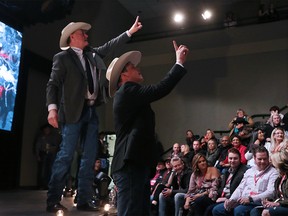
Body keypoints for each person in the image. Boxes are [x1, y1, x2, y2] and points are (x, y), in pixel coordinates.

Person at [45, 17, 142, 213]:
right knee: (65, 156)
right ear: (72, 37)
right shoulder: (62, 58)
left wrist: (129, 32)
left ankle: (83, 199)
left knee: (90, 158)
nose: (86, 35)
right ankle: (53, 199)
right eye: (82, 33)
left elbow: (110, 46)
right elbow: (53, 85)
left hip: (91, 111)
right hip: (72, 113)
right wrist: (52, 109)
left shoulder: (92, 54)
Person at [106, 40, 189, 216]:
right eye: (132, 67)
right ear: (123, 76)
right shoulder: (128, 90)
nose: (138, 68)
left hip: (136, 164)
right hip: (130, 165)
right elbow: (160, 89)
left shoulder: (131, 95)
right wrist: (178, 63)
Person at [212, 146, 279, 216]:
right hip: (242, 200)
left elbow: (271, 192)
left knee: (239, 211)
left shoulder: (273, 172)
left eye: (265, 159)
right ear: (254, 159)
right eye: (259, 159)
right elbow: (240, 188)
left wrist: (251, 199)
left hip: (258, 202)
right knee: (217, 209)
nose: (262, 161)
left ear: (268, 158)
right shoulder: (249, 171)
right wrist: (231, 199)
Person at [207, 148, 248, 215]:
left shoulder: (243, 172)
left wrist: (225, 199)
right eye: (230, 158)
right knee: (200, 201)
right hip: (221, 196)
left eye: (235, 158)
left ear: (240, 159)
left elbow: (240, 192)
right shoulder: (227, 171)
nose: (232, 161)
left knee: (212, 209)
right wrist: (215, 192)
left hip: (232, 199)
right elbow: (223, 188)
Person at [250, 150, 288, 216]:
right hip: (281, 204)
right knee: (255, 211)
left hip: (285, 206)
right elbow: (279, 196)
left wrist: (279, 204)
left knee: (266, 212)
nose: (271, 163)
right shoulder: (279, 178)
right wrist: (269, 201)